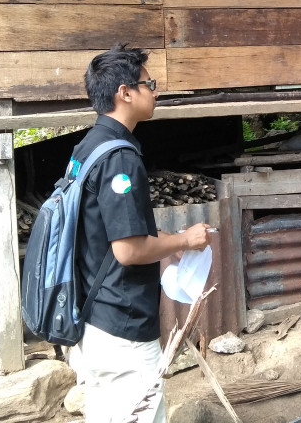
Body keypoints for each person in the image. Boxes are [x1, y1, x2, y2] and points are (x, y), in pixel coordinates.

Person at [68, 44, 210, 423]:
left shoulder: (87, 148)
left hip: (95, 317)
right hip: (123, 330)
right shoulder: (120, 158)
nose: (156, 90)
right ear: (125, 93)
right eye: (150, 83)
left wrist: (165, 240)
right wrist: (185, 240)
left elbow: (108, 227)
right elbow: (128, 250)